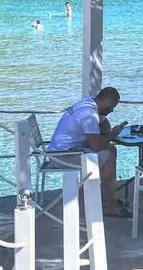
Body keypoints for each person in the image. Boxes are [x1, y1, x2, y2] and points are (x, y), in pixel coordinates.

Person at [47, 88, 129, 217]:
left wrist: (105, 132)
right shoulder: (89, 115)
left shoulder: (88, 103)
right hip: (62, 157)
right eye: (112, 107)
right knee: (109, 155)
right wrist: (112, 133)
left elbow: (104, 122)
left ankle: (107, 198)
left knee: (111, 149)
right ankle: (109, 205)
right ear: (107, 103)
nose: (112, 110)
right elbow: (96, 146)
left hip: (64, 151)